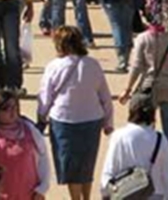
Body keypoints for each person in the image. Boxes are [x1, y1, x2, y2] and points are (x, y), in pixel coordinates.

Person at [37, 26, 114, 200]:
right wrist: (108, 122)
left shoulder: (54, 66)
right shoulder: (93, 64)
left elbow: (45, 95)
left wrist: (41, 117)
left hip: (64, 121)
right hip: (92, 120)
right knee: (87, 165)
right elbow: (105, 96)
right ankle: (86, 197)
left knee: (71, 167)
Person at [0, 89, 50, 200]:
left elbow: (43, 159)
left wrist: (42, 189)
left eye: (14, 107)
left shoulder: (29, 129)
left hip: (29, 194)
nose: (13, 112)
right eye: (6, 109)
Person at [100, 93, 168, 200]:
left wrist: (105, 193)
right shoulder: (160, 139)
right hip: (154, 194)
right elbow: (167, 176)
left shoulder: (118, 136)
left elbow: (108, 171)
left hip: (124, 194)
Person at [118, 22, 168, 145]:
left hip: (148, 86)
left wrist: (128, 89)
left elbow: (136, 66)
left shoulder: (143, 38)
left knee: (145, 126)